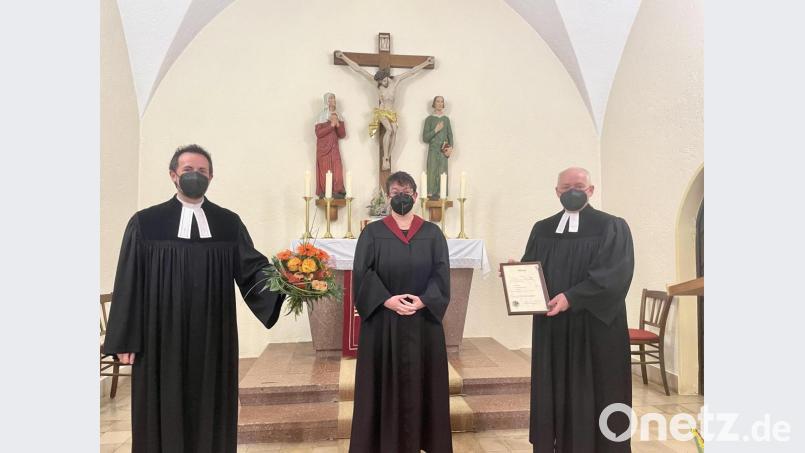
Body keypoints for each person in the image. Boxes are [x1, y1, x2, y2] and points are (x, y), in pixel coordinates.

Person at [102, 145, 286, 453]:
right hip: (160, 338)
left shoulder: (228, 223)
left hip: (213, 337)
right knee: (162, 406)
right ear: (173, 175)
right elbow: (128, 282)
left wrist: (288, 278)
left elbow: (252, 269)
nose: (195, 176)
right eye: (188, 170)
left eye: (202, 171)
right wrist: (124, 339)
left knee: (209, 405)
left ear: (212, 176)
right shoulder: (146, 223)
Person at [516, 167, 635, 453]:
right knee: (554, 391)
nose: (573, 191)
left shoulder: (612, 226)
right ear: (557, 191)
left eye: (579, 186)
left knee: (598, 391)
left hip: (595, 330)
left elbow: (615, 275)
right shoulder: (542, 228)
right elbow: (533, 270)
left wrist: (572, 297)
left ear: (591, 190)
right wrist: (517, 275)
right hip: (553, 328)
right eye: (566, 187)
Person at [349, 171, 452, 453]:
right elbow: (362, 273)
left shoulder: (432, 233)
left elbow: (441, 272)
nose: (401, 196)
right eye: (396, 192)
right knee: (380, 384)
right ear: (387, 197)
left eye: (407, 191)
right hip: (384, 324)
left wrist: (425, 300)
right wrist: (385, 300)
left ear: (416, 196)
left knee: (425, 384)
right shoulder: (372, 233)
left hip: (422, 323)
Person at [335, 51, 434, 170]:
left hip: (391, 112)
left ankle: (388, 156)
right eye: (380, 82)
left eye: (383, 81)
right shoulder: (377, 83)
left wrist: (426, 63)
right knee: (389, 129)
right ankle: (385, 157)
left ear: (387, 76)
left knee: (395, 131)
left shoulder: (396, 80)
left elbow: (412, 72)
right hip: (381, 111)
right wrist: (344, 57)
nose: (382, 83)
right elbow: (359, 70)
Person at [315, 92, 347, 198]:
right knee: (325, 169)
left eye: (334, 98)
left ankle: (338, 191)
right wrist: (331, 126)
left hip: (334, 147)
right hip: (323, 149)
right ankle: (325, 191)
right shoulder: (321, 116)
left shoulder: (339, 115)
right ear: (326, 101)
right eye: (331, 98)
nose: (333, 100)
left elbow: (342, 134)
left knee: (337, 167)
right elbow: (318, 133)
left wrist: (338, 125)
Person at [422, 95, 454, 199]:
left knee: (442, 172)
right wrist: (435, 130)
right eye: (437, 101)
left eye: (441, 102)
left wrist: (450, 148)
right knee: (432, 171)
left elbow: (450, 135)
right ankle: (431, 194)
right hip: (433, 150)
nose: (440, 104)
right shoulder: (429, 119)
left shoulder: (446, 119)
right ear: (434, 104)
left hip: (443, 151)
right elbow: (425, 138)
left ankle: (442, 194)